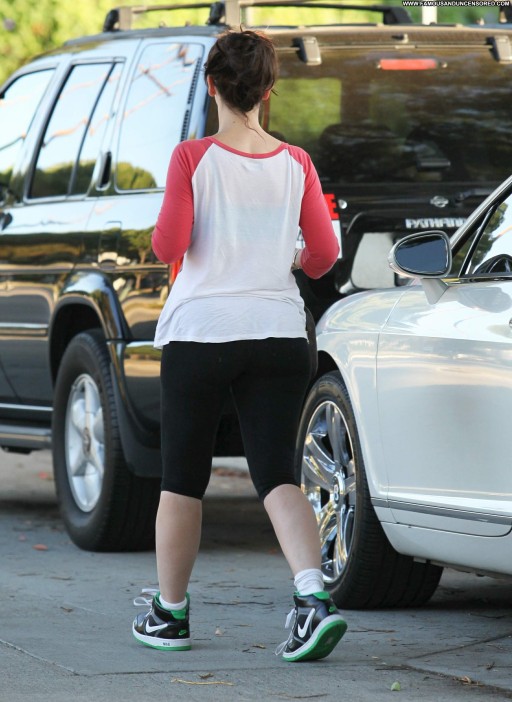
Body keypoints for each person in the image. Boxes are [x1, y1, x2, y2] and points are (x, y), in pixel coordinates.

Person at [132, 28, 347, 662]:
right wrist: (283, 257)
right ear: (268, 90)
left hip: (202, 333)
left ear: (211, 87)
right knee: (277, 473)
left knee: (182, 480)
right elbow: (324, 256)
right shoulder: (296, 162)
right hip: (279, 333)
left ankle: (170, 614)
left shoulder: (191, 158)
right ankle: (312, 599)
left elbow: (169, 246)